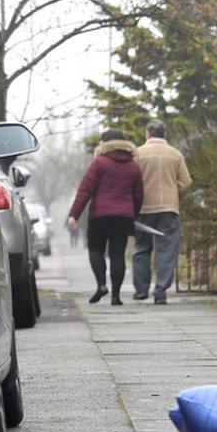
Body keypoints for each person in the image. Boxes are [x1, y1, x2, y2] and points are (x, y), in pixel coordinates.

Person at [68, 130, 144, 305]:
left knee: (95, 250)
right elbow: (138, 195)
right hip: (123, 217)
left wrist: (74, 214)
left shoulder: (99, 163)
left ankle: (101, 285)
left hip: (99, 216)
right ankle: (116, 296)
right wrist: (134, 214)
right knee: (117, 255)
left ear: (104, 143)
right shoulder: (133, 166)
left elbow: (85, 190)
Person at [132, 119, 192, 305]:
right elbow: (186, 182)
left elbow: (131, 180)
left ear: (147, 133)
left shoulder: (138, 154)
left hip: (144, 208)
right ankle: (161, 291)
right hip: (168, 207)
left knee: (142, 248)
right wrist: (173, 190)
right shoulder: (175, 154)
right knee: (167, 249)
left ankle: (142, 290)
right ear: (164, 134)